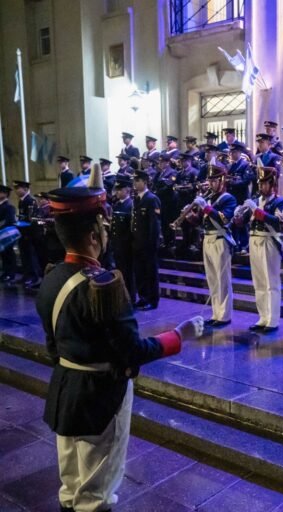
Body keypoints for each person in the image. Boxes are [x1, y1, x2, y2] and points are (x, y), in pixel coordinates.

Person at [35, 165, 202, 512]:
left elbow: (53, 346)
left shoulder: (50, 277)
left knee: (70, 486)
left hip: (66, 388)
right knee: (96, 493)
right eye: (105, 227)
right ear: (95, 234)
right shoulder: (104, 287)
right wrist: (177, 336)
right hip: (101, 396)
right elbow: (131, 351)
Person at [241, 165, 283, 333]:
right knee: (259, 281)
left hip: (269, 241)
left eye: (265, 184)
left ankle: (273, 320)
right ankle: (262, 316)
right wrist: (242, 214)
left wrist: (256, 210)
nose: (261, 187)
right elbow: (243, 221)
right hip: (254, 240)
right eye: (260, 183)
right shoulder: (257, 199)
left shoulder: (280, 201)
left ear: (272, 184)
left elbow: (277, 222)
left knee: (271, 282)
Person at [193, 167, 237, 327]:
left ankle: (224, 315)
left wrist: (205, 207)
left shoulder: (228, 199)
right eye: (209, 180)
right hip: (207, 238)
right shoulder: (208, 197)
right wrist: (191, 216)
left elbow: (224, 219)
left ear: (222, 181)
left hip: (220, 239)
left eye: (214, 180)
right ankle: (215, 312)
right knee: (212, 278)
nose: (210, 184)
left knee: (222, 279)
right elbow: (200, 221)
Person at [131, 170, 161, 310]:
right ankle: (143, 297)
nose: (135, 184)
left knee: (150, 273)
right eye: (134, 181)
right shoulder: (137, 199)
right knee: (140, 272)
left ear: (145, 182)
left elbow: (154, 225)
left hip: (148, 243)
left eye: (138, 181)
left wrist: (152, 243)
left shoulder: (151, 199)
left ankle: (152, 299)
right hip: (137, 242)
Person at [111, 175, 135, 305]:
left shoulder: (130, 205)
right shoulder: (117, 205)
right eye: (117, 189)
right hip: (117, 244)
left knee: (128, 274)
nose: (117, 192)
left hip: (126, 245)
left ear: (127, 190)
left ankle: (130, 298)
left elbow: (131, 228)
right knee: (119, 272)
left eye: (120, 189)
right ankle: (122, 297)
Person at [14, 180, 42, 288]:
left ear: (25, 189)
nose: (16, 190)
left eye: (18, 188)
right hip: (22, 231)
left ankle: (33, 277)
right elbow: (22, 216)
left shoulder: (30, 201)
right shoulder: (21, 201)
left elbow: (30, 219)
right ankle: (26, 275)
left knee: (31, 256)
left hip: (29, 233)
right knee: (24, 255)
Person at [0, 184, 17, 282]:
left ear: (5, 194)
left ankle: (11, 274)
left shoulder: (9, 207)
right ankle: (6, 272)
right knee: (3, 255)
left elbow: (9, 221)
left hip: (6, 233)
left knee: (9, 254)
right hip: (1, 233)